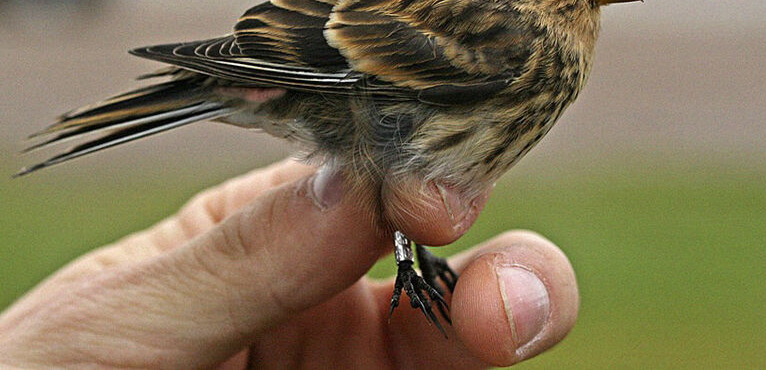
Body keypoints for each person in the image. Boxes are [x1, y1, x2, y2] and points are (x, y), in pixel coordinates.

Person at [0, 159, 579, 368]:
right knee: (402, 199)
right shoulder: (513, 35)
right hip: (327, 83)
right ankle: (411, 258)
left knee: (416, 207)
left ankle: (414, 256)